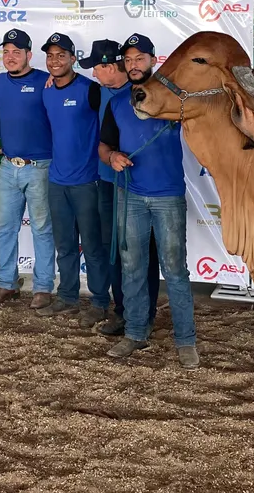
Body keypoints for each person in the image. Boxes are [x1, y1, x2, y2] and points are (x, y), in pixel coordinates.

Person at [99, 33, 199, 370]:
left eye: (139, 59)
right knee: (132, 268)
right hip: (130, 196)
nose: (133, 65)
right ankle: (136, 332)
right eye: (127, 60)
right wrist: (111, 156)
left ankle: (186, 341)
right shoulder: (115, 104)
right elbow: (104, 145)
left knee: (175, 270)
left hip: (168, 196)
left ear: (154, 61)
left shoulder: (175, 99)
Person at [80, 39, 160, 337]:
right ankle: (123, 311)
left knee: (141, 252)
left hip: (138, 186)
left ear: (112, 67)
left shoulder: (149, 93)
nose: (94, 74)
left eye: (98, 67)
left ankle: (146, 314)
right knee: (113, 248)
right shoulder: (98, 93)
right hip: (107, 180)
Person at [38, 33, 111, 325]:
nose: (55, 61)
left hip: (87, 181)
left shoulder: (90, 90)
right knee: (65, 245)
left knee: (92, 246)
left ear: (73, 59)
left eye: (61, 55)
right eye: (50, 56)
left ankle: (99, 301)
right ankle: (67, 297)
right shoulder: (46, 90)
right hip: (57, 181)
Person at [0, 28, 56, 307]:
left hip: (40, 166)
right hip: (8, 165)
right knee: (3, 227)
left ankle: (44, 287)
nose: (10, 57)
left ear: (29, 55)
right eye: (6, 52)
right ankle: (6, 283)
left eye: (16, 52)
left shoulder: (45, 80)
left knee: (42, 228)